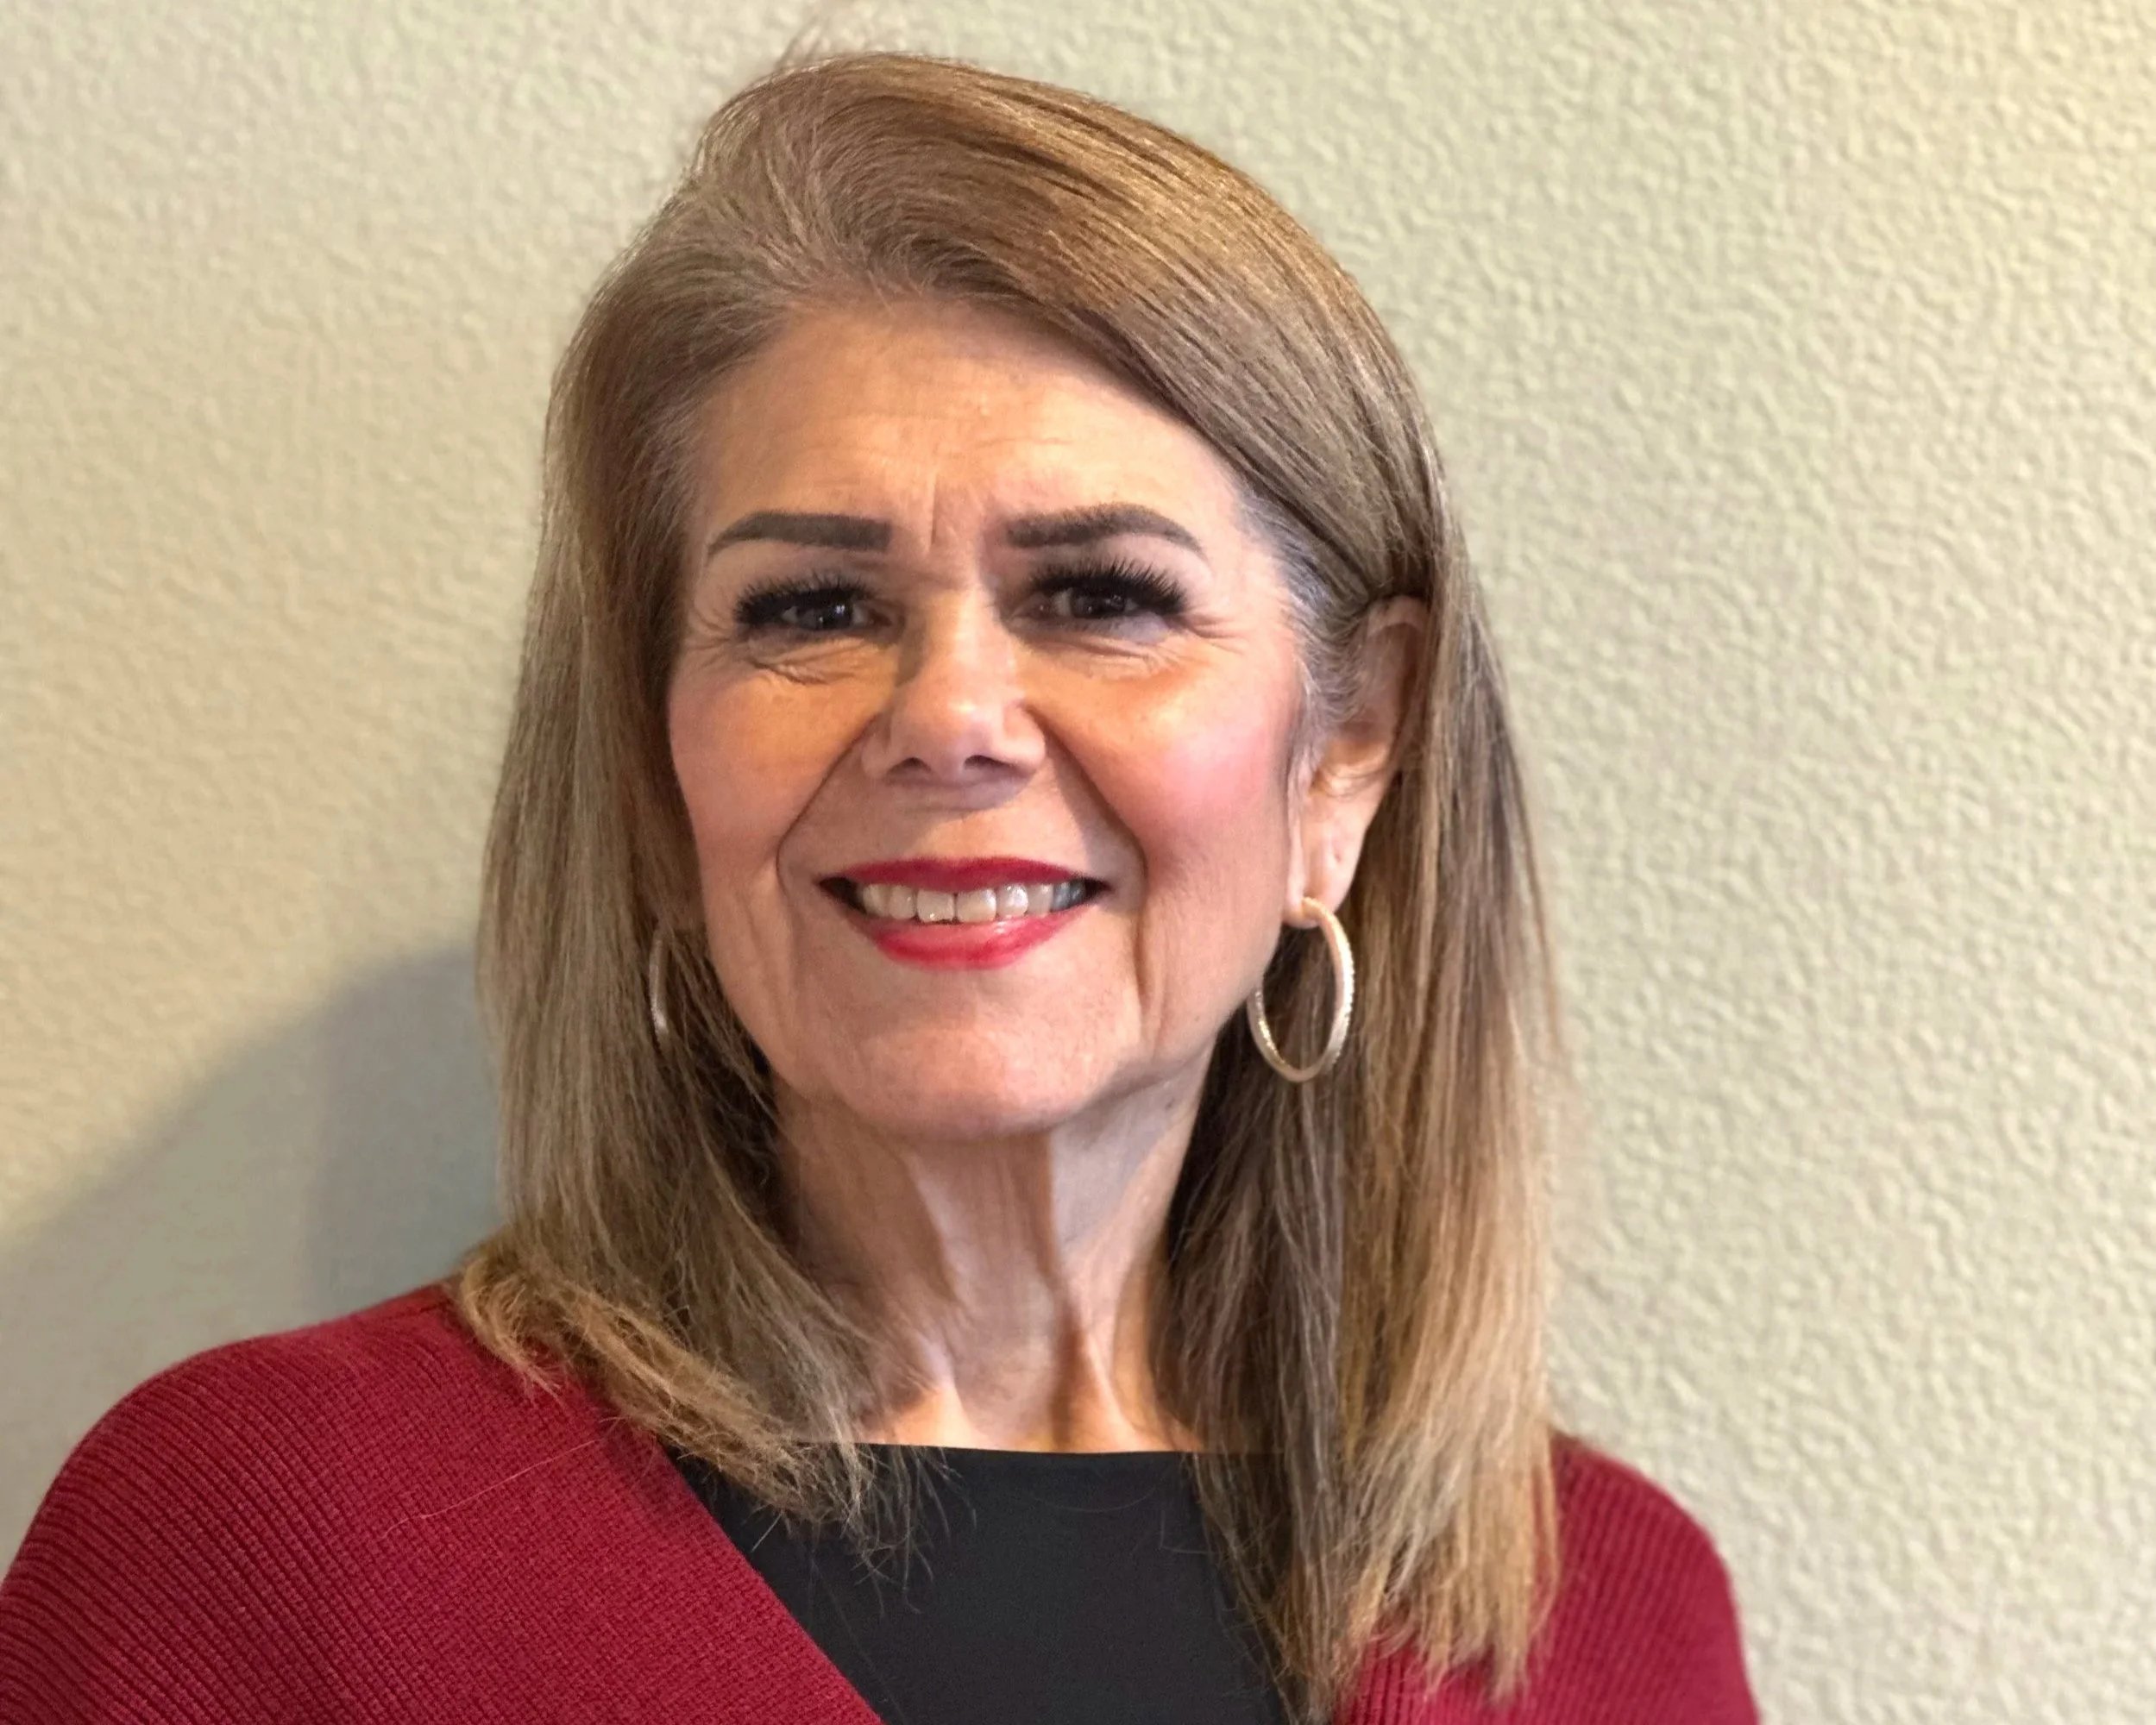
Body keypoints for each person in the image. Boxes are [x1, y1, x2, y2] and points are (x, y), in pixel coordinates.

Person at [0, 51, 1756, 1725]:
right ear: (650, 755)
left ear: (1346, 747)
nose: (951, 721)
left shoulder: (1601, 1611)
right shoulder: (267, 1540)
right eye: (811, 612)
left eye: (1100, 595)